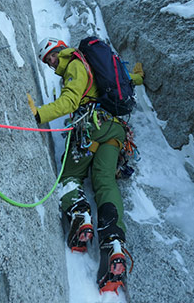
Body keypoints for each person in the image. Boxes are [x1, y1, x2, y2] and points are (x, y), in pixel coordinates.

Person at [27, 37, 144, 293]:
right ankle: (113, 242)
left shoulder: (74, 65)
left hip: (91, 127)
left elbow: (70, 101)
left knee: (70, 177)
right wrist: (137, 77)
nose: (51, 64)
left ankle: (80, 216)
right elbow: (124, 79)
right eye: (48, 62)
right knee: (105, 182)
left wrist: (39, 114)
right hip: (114, 132)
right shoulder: (96, 64)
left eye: (51, 57)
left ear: (60, 50)